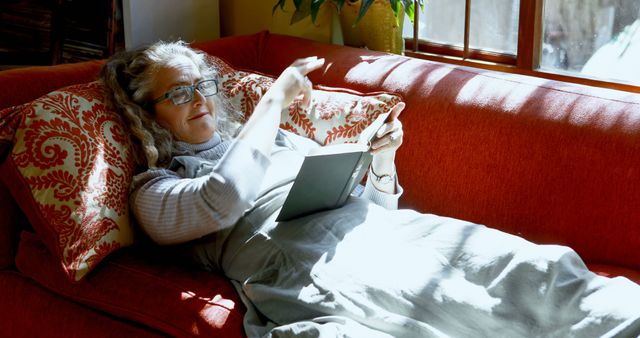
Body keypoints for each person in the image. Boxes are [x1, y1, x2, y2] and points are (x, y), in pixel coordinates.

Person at [100, 41, 640, 338]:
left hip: (379, 229)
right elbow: (223, 199)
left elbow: (373, 204)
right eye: (179, 93)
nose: (201, 99)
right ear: (146, 114)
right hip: (301, 261)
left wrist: (382, 159)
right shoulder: (156, 191)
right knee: (440, 312)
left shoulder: (269, 138)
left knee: (527, 268)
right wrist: (271, 104)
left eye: (205, 86)